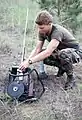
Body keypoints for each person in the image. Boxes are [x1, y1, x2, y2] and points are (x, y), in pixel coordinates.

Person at [19, 10, 81, 90]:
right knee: (41, 54)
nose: (39, 30)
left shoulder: (57, 32)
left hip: (76, 52)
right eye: (38, 27)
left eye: (42, 28)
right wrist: (27, 61)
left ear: (49, 24)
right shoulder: (42, 31)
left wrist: (30, 62)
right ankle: (62, 67)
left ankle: (71, 77)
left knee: (63, 54)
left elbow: (48, 52)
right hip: (62, 51)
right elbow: (38, 49)